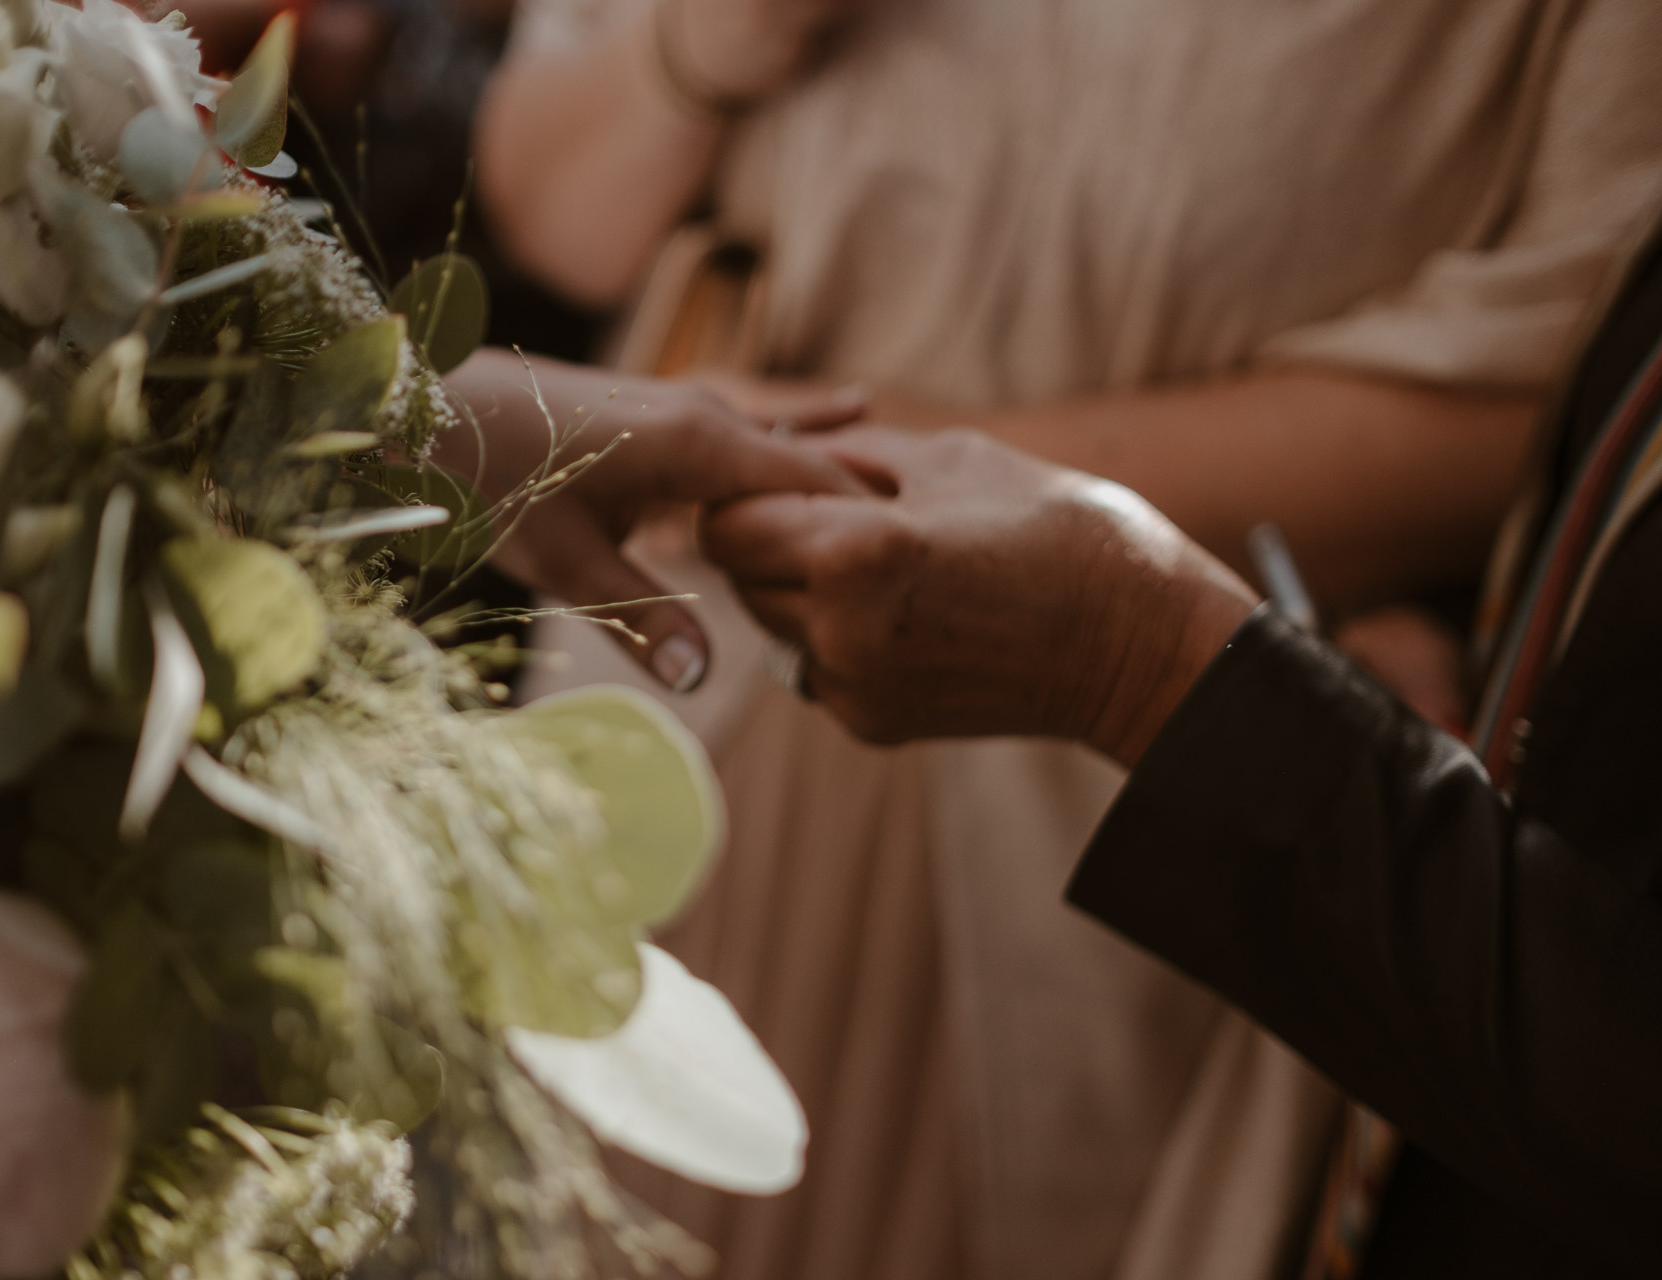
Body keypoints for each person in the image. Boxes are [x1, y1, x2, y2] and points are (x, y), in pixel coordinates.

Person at [473, 3, 1662, 1277]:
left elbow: (1535, 407)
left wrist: (816, 456)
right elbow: (550, 209)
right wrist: (707, 42)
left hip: (1129, 818)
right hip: (662, 687)